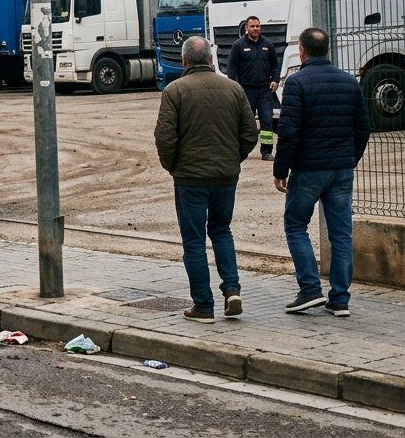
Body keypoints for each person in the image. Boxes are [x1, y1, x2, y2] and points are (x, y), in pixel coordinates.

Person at [155, 36, 259, 323]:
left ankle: (203, 305)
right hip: (225, 176)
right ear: (211, 60)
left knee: (194, 241)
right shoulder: (234, 89)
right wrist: (232, 159)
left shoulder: (175, 90)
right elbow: (250, 134)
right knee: (222, 230)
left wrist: (174, 167)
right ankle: (232, 289)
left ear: (184, 60)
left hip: (190, 178)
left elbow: (165, 137)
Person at [273, 27, 370, 317]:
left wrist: (280, 169)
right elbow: (363, 129)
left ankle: (310, 289)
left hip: (309, 169)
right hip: (341, 169)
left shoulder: (296, 82)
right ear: (327, 49)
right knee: (341, 234)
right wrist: (349, 160)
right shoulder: (349, 81)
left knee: (295, 225)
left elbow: (289, 132)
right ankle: (339, 299)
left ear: (302, 51)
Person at [225, 16, 281, 160]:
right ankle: (242, 151)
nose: (255, 29)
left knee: (266, 121)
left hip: (264, 90)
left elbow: (275, 65)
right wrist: (233, 85)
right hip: (245, 90)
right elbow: (231, 67)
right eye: (252, 26)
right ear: (246, 28)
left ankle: (266, 151)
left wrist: (275, 80)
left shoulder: (268, 44)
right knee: (245, 122)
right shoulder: (238, 45)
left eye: (257, 26)